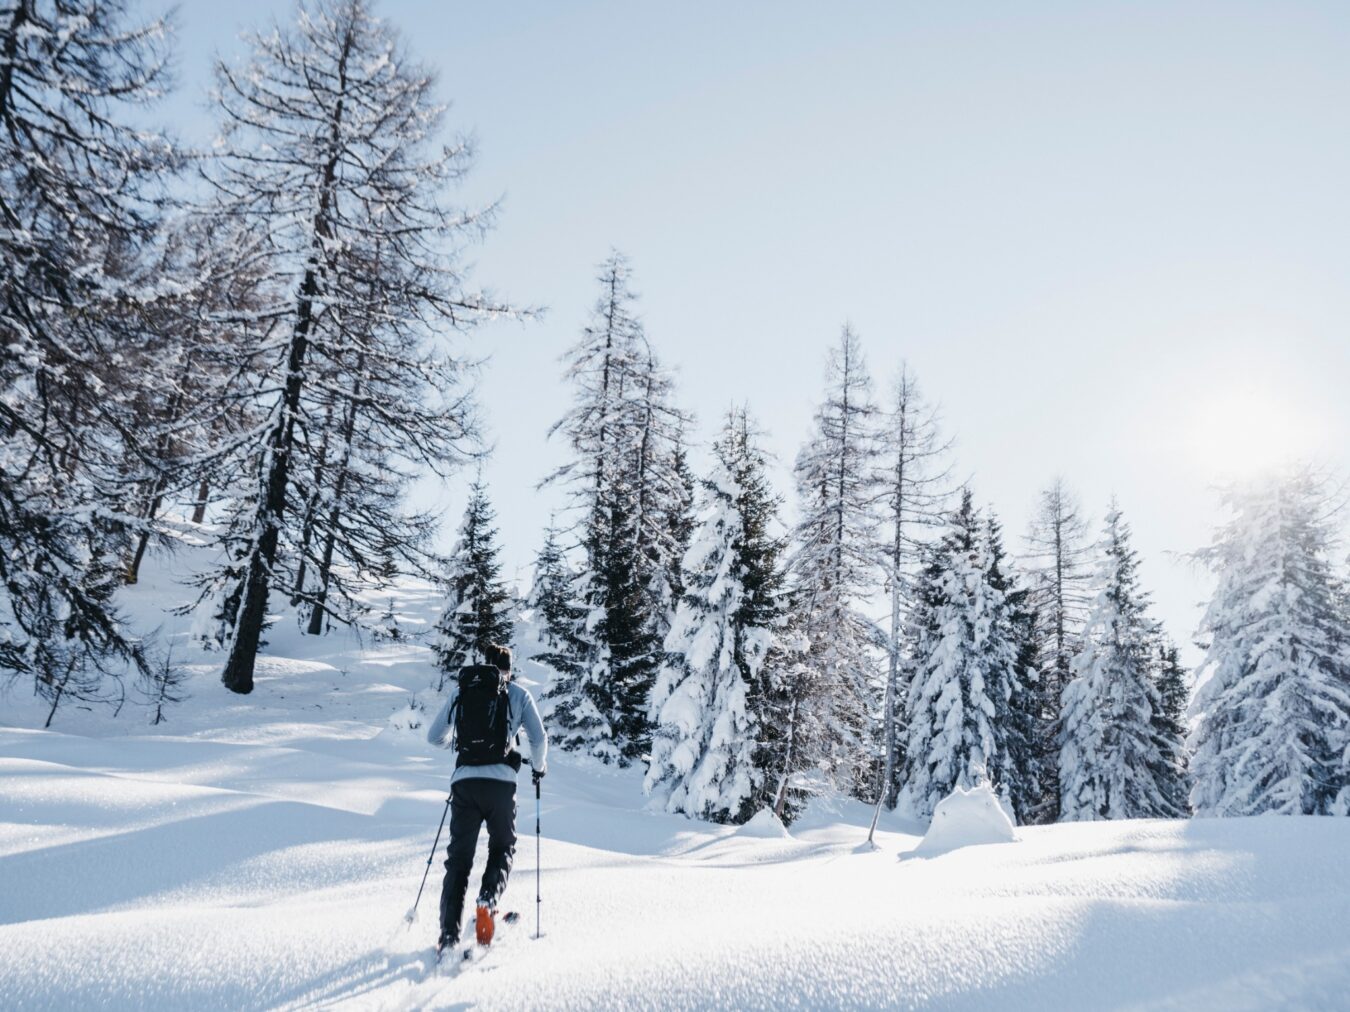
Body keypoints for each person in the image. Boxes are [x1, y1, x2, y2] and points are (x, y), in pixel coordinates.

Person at [425, 642, 547, 955]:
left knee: (459, 860)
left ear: (484, 665)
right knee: (502, 846)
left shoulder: (462, 692)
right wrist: (538, 768)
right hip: (502, 785)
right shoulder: (519, 694)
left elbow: (433, 736)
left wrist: (458, 748)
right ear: (509, 669)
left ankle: (448, 936)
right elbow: (538, 738)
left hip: (464, 783)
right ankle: (487, 900)